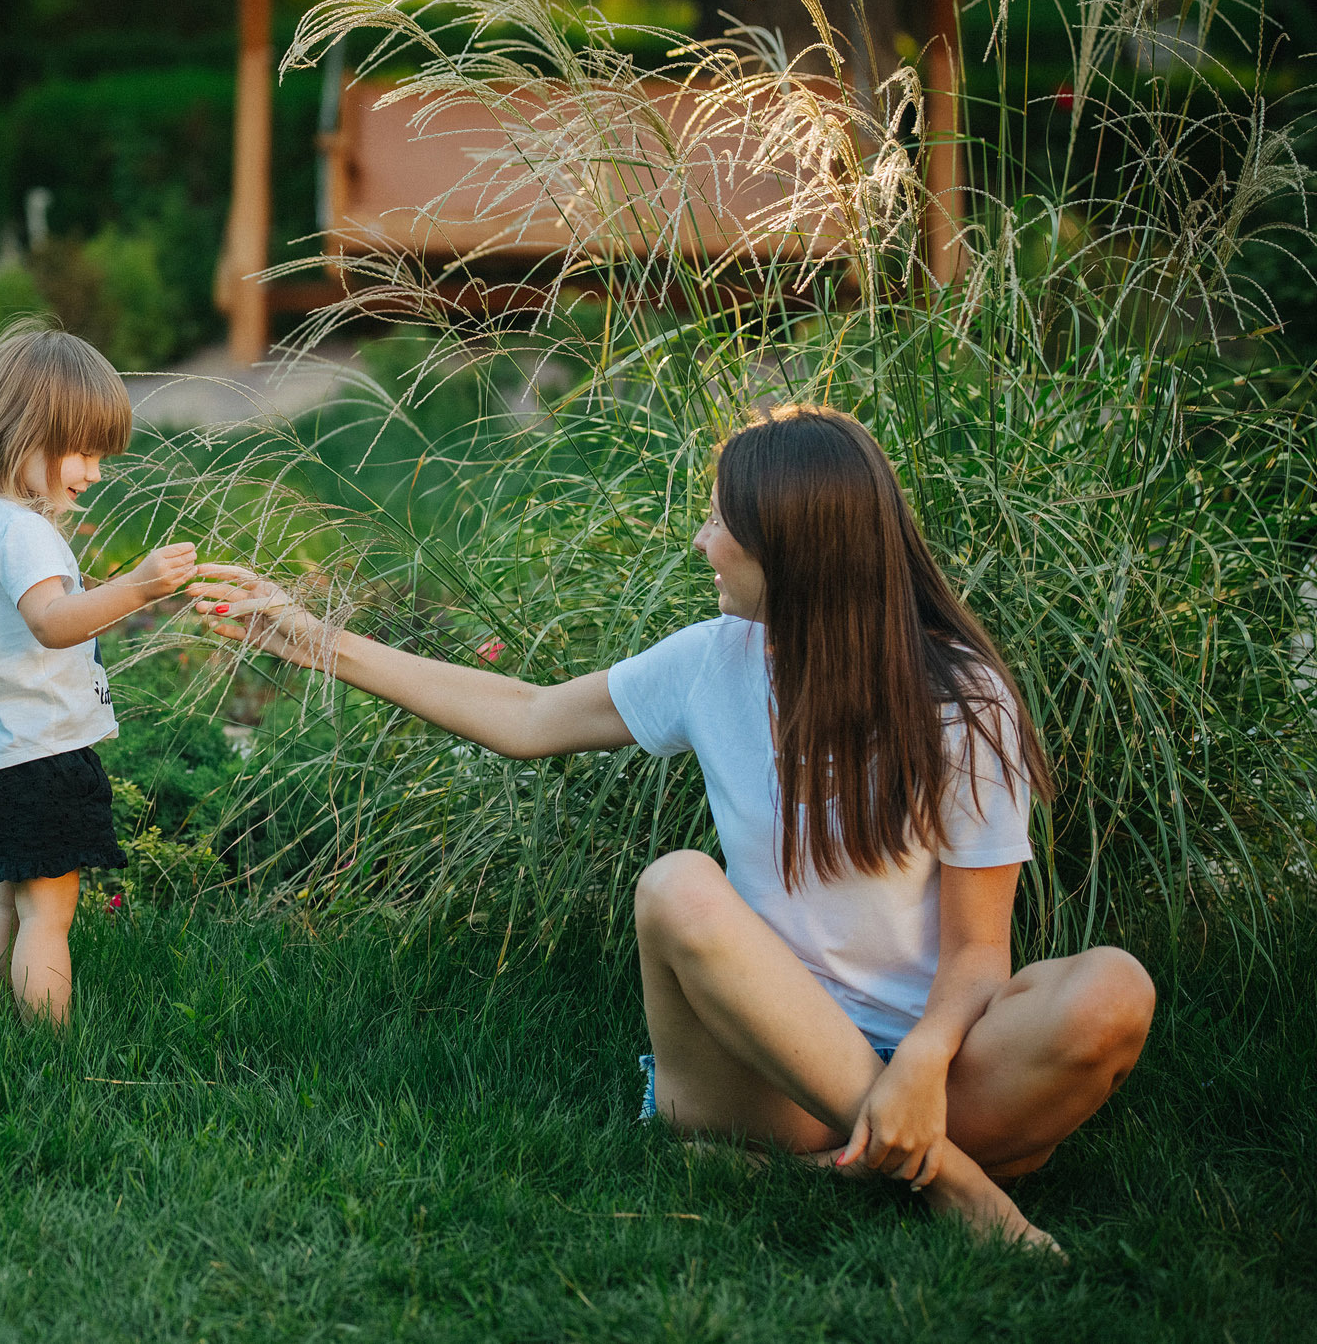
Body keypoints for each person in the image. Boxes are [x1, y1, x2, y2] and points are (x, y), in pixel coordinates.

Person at [191, 405, 1153, 1249]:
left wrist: (925, 1068)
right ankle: (955, 1182)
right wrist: (309, 638)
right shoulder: (711, 661)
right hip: (757, 1078)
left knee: (1114, 990)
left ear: (795, 552)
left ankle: (860, 1155)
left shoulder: (959, 702)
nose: (702, 542)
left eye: (722, 523)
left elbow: (980, 954)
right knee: (678, 883)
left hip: (929, 1071)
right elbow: (527, 716)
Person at [0, 322, 197, 1024]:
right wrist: (139, 586)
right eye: (83, 452)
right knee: (48, 912)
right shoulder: (23, 530)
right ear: (24, 436)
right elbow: (53, 622)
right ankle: (51, 1050)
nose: (94, 472)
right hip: (35, 754)